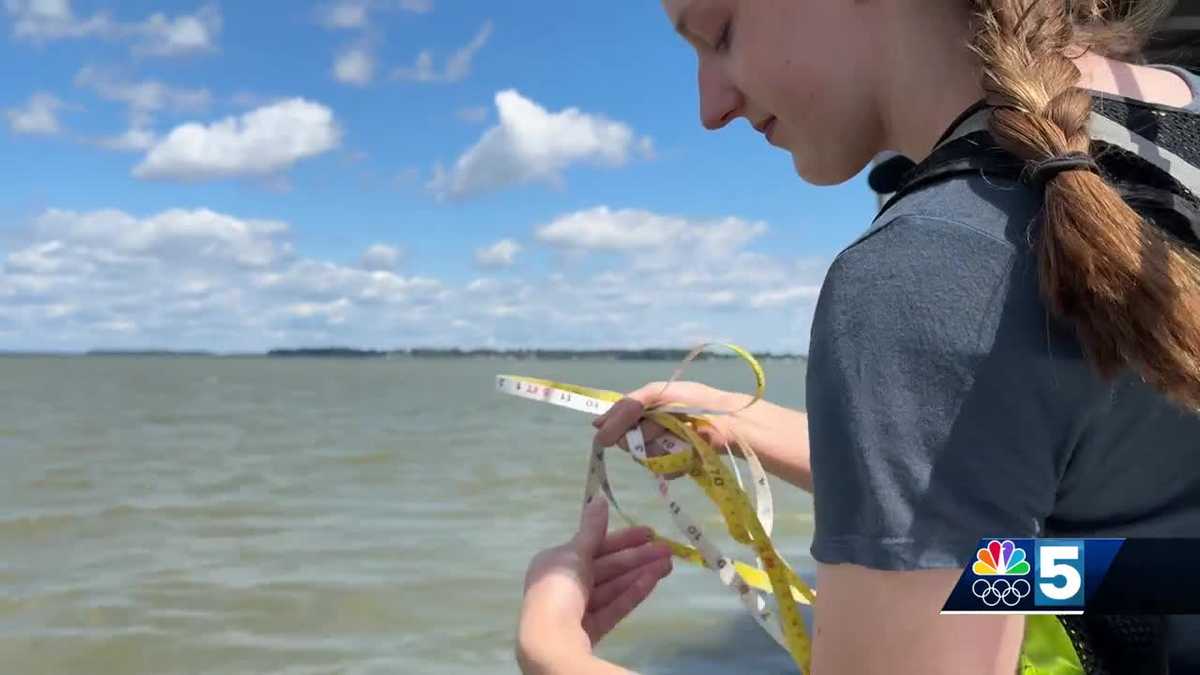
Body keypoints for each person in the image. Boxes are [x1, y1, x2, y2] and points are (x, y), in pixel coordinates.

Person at [517, 1, 1200, 673]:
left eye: (719, 32)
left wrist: (554, 651)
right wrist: (734, 421)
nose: (710, 107)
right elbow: (1151, 552)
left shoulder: (923, 271)